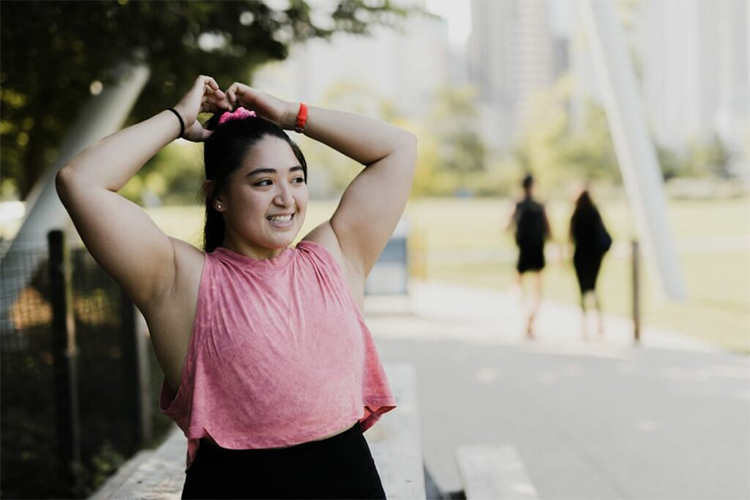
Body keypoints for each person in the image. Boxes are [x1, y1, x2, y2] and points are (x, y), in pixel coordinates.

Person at [55, 75, 417, 498]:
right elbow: (80, 181)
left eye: (296, 179)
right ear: (218, 196)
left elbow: (398, 148)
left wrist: (290, 115)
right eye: (263, 182)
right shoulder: (179, 279)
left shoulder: (336, 257)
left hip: (347, 482)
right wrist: (177, 119)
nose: (286, 197)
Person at [507, 174, 551, 339]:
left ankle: (526, 316)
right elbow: (549, 229)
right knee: (537, 290)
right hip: (537, 251)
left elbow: (505, 225)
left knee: (518, 287)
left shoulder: (517, 204)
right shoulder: (540, 206)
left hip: (523, 251)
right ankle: (530, 321)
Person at [569, 188, 611, 340]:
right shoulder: (594, 212)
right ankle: (600, 323)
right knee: (594, 289)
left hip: (580, 256)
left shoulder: (576, 214)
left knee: (582, 292)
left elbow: (571, 236)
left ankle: (584, 326)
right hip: (594, 257)